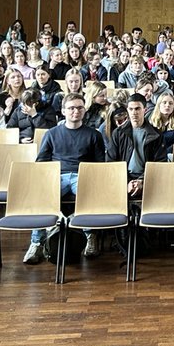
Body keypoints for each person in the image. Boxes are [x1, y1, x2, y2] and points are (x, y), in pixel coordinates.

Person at [29, 93, 107, 264]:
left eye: (79, 107)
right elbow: (41, 162)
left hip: (82, 175)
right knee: (42, 196)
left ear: (84, 110)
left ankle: (90, 238)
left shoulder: (93, 134)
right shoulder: (52, 133)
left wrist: (92, 179)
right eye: (71, 108)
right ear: (63, 111)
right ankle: (36, 243)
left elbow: (100, 163)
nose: (75, 111)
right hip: (59, 175)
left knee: (88, 196)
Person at [105, 94, 164, 205]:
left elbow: (159, 163)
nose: (134, 112)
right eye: (131, 109)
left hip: (148, 178)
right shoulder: (118, 133)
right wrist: (126, 182)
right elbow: (111, 162)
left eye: (137, 109)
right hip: (122, 177)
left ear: (144, 110)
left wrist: (142, 181)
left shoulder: (156, 134)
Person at [149, 91, 174, 159]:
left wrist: (163, 154)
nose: (167, 105)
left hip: (173, 156)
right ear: (159, 105)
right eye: (164, 102)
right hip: (154, 156)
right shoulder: (151, 123)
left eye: (171, 103)